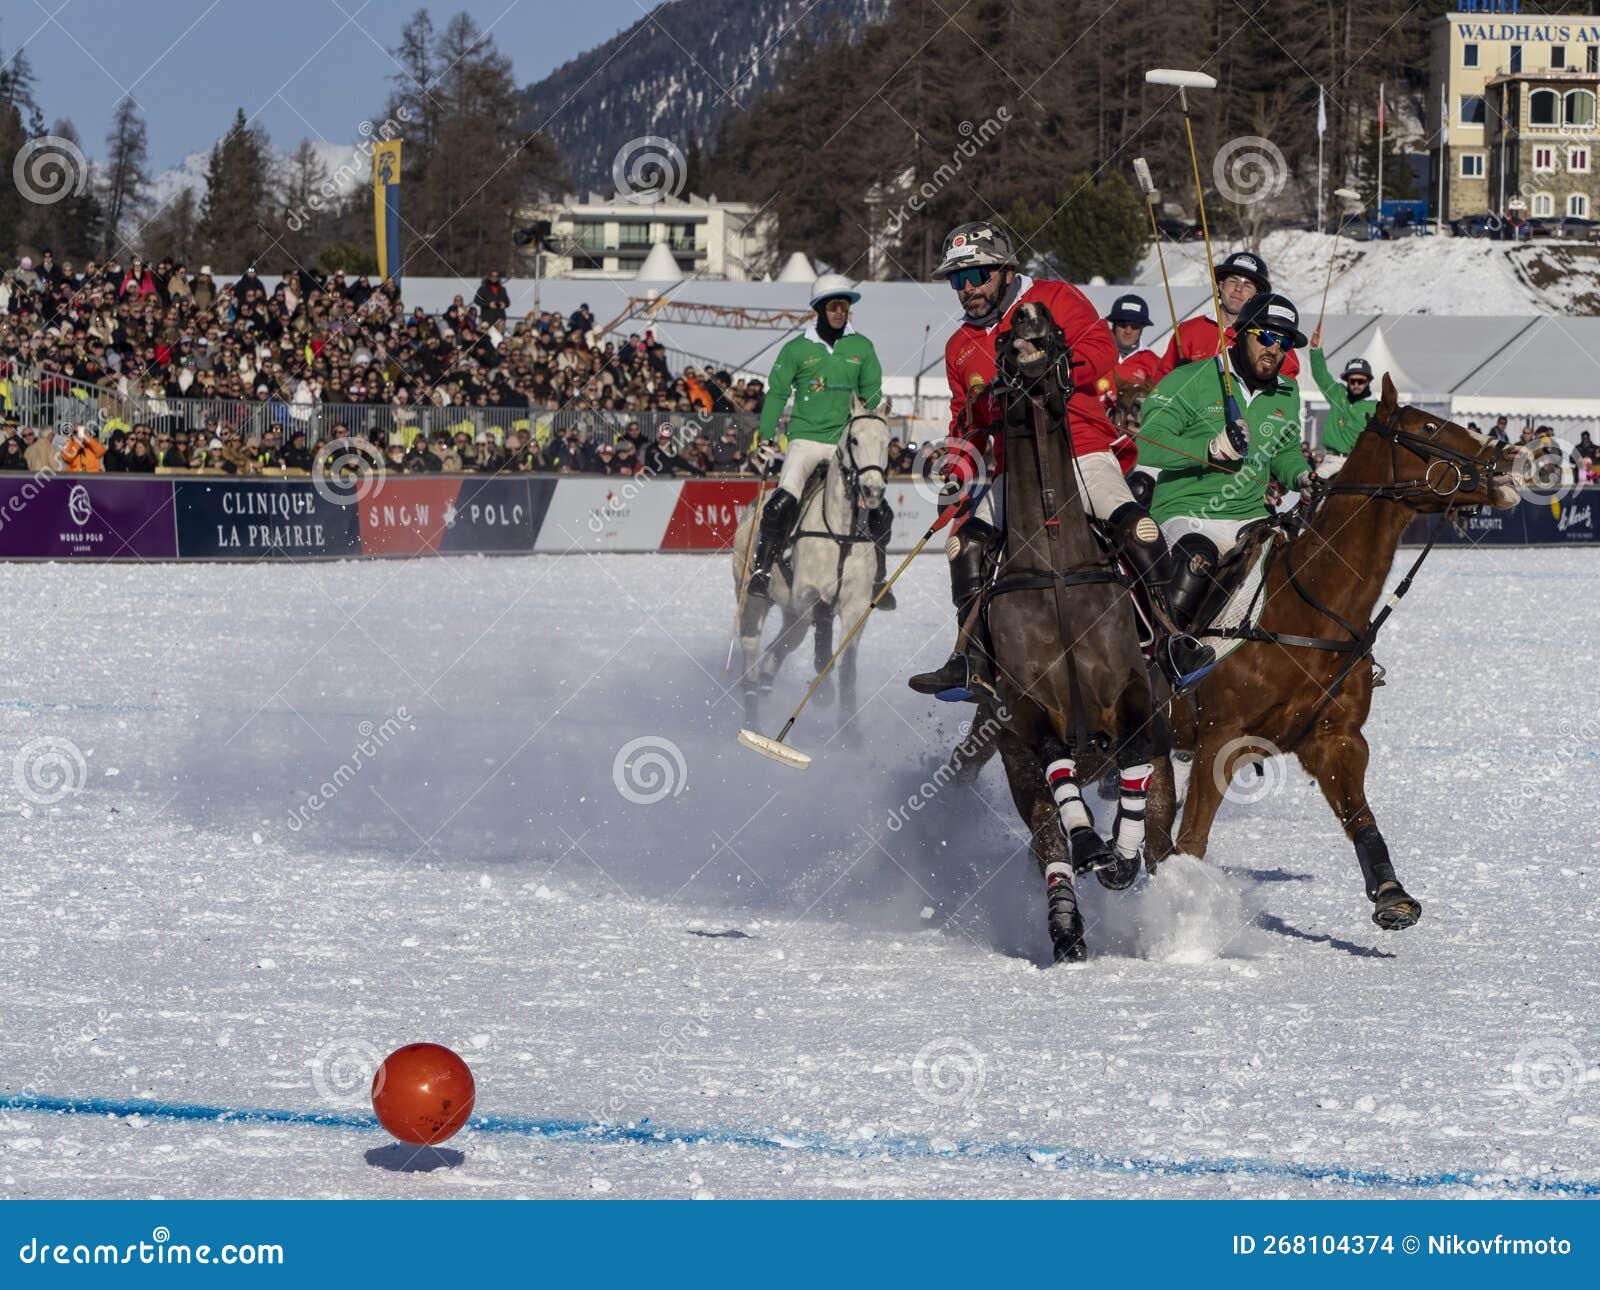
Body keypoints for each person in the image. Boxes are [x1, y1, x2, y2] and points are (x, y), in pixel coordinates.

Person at [906, 221, 1198, 700]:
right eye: (957, 281)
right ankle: (972, 660)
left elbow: (1101, 349)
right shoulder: (959, 347)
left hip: (1079, 447)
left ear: (1003, 270)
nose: (968, 290)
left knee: (1137, 529)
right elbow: (969, 425)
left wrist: (1053, 365)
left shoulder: (1055, 297)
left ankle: (1172, 642)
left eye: (976, 275)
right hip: (1014, 468)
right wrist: (958, 469)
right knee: (965, 547)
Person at [1136, 292, 1313, 644]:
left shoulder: (1287, 391)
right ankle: (1166, 653)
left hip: (1252, 519)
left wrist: (1300, 474)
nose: (1275, 348)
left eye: (1285, 341)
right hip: (1188, 513)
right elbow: (1148, 441)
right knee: (1196, 558)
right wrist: (1210, 449)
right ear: (1242, 332)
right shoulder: (1194, 377)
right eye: (1266, 336)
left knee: (1302, 566)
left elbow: (1286, 449)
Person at [745, 274, 892, 606]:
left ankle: (880, 578)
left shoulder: (862, 347)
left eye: (845, 306)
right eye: (833, 305)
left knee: (879, 507)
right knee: (782, 502)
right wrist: (766, 435)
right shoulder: (797, 349)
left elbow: (872, 396)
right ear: (819, 309)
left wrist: (875, 426)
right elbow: (778, 393)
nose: (840, 312)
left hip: (845, 444)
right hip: (805, 441)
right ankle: (762, 569)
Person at [1154, 251, 1300, 382]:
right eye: (1233, 281)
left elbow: (1286, 387)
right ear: (1221, 285)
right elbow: (1161, 379)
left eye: (1248, 285)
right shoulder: (1188, 329)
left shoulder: (1271, 338)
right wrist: (1176, 378)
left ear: (1257, 296)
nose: (1238, 289)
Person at [1307, 325, 1375, 471]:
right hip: (1332, 460)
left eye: (1361, 381)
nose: (1356, 384)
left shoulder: (1376, 407)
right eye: (1352, 380)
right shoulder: (1338, 394)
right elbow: (1321, 375)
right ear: (1347, 381)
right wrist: (1315, 350)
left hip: (1360, 462)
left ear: (1368, 381)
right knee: (1312, 490)